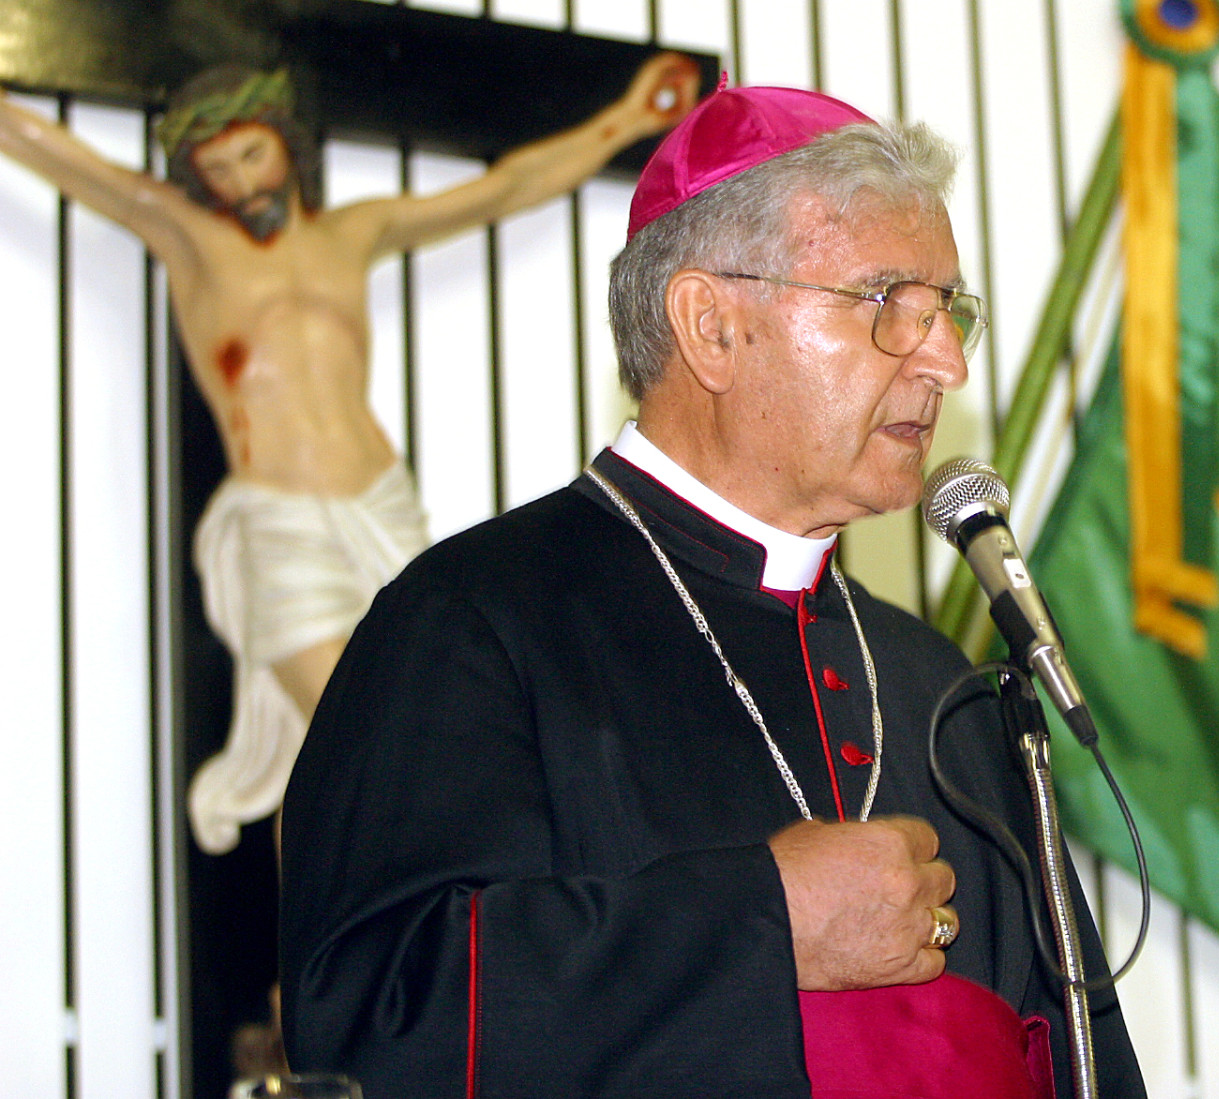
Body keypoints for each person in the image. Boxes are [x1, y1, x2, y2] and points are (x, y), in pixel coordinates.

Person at [277, 83, 1144, 1098]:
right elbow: (373, 1016)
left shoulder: (935, 683)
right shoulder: (470, 620)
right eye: (889, 307)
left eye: (949, 312)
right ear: (710, 327)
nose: (946, 361)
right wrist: (764, 921)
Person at [0, 54, 701, 853]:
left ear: (287, 147)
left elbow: (504, 187)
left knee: (384, 735)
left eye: (253, 154)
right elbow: (63, 155)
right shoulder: (186, 236)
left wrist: (631, 119)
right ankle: (321, 965)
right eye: (218, 169)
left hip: (380, 510)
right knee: (354, 721)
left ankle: (332, 966)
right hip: (280, 524)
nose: (243, 183)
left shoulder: (350, 233)